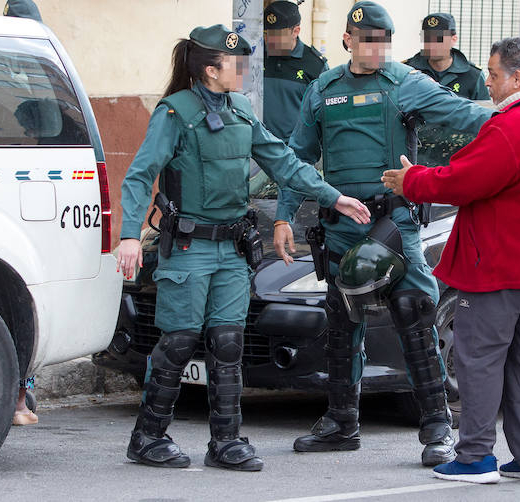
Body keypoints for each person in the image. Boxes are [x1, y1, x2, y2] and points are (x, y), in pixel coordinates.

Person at [117, 24, 370, 471]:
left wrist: (333, 196)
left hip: (232, 248)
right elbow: (140, 174)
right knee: (178, 342)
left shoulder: (240, 110)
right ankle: (148, 436)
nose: (246, 72)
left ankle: (227, 441)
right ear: (212, 69)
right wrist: (130, 235)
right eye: (238, 65)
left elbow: (283, 160)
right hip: (191, 247)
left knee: (228, 341)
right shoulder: (175, 113)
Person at [273, 1, 493, 466]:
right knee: (340, 324)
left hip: (394, 225)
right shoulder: (323, 89)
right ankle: (340, 421)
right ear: (349, 41)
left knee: (415, 316)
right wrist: (282, 218)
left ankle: (436, 425)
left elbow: (467, 116)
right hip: (339, 228)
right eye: (367, 40)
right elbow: (296, 157)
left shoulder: (407, 84)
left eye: (383, 41)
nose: (376, 49)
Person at [383, 37, 520, 484]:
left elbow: (464, 180)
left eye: (494, 76)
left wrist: (411, 180)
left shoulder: (515, 125)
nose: (489, 85)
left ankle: (476, 456)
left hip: (497, 266)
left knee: (478, 358)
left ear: (518, 78)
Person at [3, 0, 44, 426]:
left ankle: (22, 394)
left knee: (23, 300)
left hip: (32, 196)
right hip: (13, 194)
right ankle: (18, 397)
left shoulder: (38, 67)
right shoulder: (26, 64)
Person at [263, 0, 329, 143]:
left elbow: (324, 115)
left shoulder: (315, 65)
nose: (270, 40)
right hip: (257, 150)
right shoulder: (255, 57)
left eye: (278, 34)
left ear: (296, 31)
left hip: (295, 153)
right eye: (267, 33)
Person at [403, 13, 488, 100]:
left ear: (453, 39)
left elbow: (484, 110)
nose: (432, 44)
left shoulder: (473, 75)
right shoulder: (408, 71)